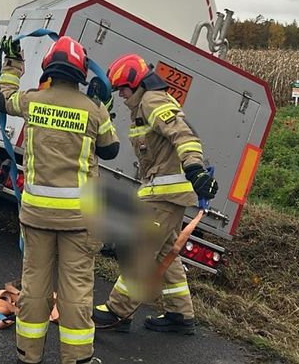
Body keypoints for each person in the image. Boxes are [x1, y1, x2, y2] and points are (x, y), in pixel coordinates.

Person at [0, 35, 119, 364]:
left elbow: (2, 99)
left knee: (34, 286)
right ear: (81, 72)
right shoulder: (93, 110)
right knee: (76, 291)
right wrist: (104, 106)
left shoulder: (33, 101)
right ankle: (77, 358)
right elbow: (110, 149)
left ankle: (28, 355)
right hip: (80, 219)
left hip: (37, 214)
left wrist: (12, 65)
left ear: (48, 68)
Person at [92, 53, 219, 335]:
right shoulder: (144, 105)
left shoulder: (152, 101)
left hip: (165, 196)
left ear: (137, 84)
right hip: (162, 193)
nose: (122, 95)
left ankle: (118, 312)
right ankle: (180, 315)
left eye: (124, 89)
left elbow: (184, 135)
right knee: (165, 254)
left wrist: (195, 168)